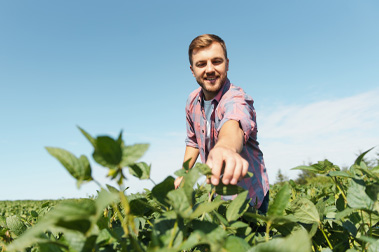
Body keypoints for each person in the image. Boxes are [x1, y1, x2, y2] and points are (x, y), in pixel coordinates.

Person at [174, 34, 270, 213]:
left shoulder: (236, 98)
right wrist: (185, 172)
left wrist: (225, 147)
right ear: (192, 70)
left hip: (250, 197)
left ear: (227, 63)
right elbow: (193, 141)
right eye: (201, 64)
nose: (209, 69)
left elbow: (233, 124)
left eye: (216, 61)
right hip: (218, 196)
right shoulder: (192, 101)